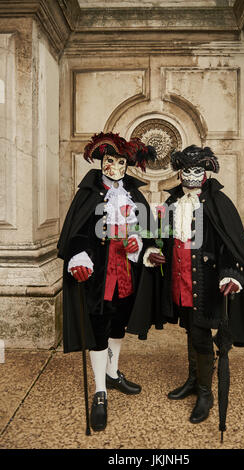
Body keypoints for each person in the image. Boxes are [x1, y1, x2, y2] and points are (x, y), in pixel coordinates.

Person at [143, 145, 244, 426]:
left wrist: (231, 274)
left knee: (201, 334)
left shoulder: (218, 203)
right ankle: (193, 380)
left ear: (205, 172)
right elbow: (158, 235)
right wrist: (153, 250)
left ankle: (205, 392)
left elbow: (231, 244)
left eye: (196, 170)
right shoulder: (172, 203)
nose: (190, 176)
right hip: (179, 281)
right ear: (179, 174)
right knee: (191, 329)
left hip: (204, 282)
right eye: (186, 171)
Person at [57, 132, 156, 432]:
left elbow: (146, 229)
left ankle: (113, 373)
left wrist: (138, 243)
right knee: (98, 327)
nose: (114, 166)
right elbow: (75, 234)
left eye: (120, 161)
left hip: (126, 272)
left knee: (118, 324)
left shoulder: (134, 195)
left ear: (128, 164)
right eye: (109, 160)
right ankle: (99, 390)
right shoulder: (88, 194)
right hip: (98, 275)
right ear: (101, 161)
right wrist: (78, 259)